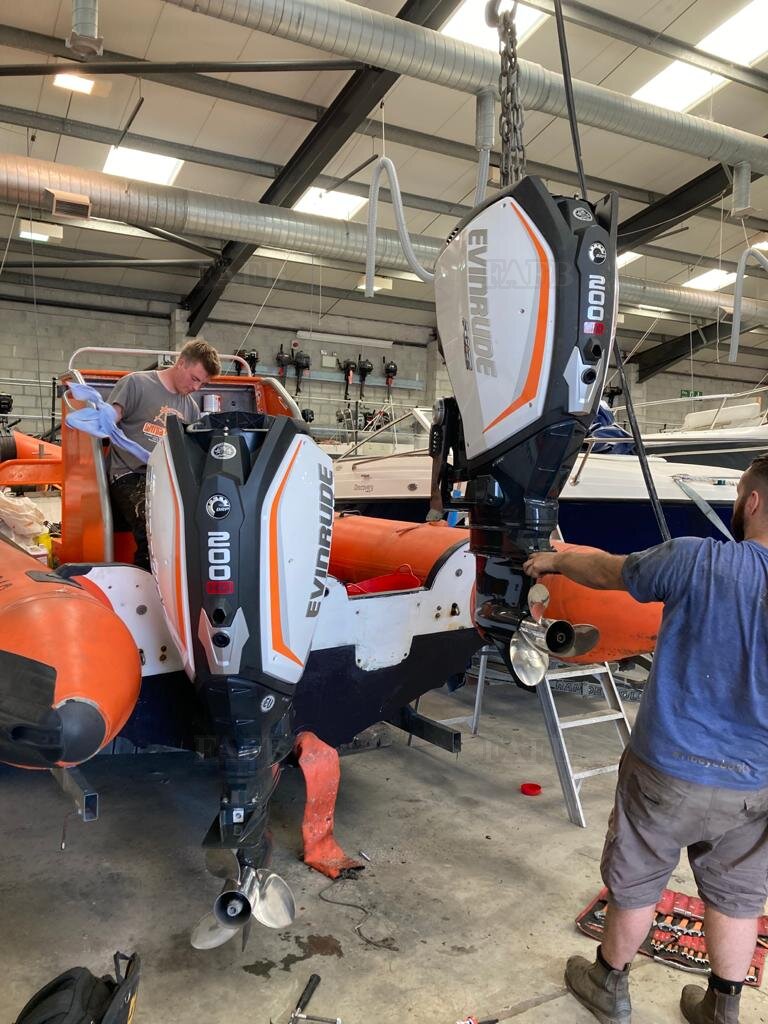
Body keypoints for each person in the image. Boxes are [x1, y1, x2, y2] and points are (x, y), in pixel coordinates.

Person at [523, 454, 768, 1024]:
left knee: (637, 880)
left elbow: (609, 571)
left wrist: (553, 559)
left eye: (739, 495)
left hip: (669, 767)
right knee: (736, 896)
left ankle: (608, 984)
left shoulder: (698, 559)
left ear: (752, 501)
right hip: (755, 783)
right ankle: (722, 1008)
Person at [108, 339, 221, 570]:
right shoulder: (136, 383)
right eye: (195, 379)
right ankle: (147, 585)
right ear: (182, 363)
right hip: (130, 474)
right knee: (155, 530)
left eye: (203, 384)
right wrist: (101, 418)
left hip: (166, 479)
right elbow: (110, 418)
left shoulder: (191, 408)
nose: (196, 388)